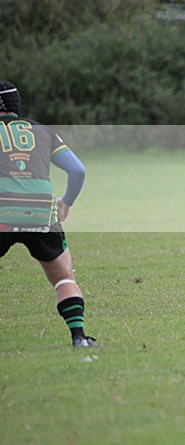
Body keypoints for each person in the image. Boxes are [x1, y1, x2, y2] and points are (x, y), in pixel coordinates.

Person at [0, 81, 96, 347]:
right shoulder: (42, 131)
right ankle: (79, 338)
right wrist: (66, 202)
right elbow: (78, 171)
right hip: (41, 213)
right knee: (64, 277)